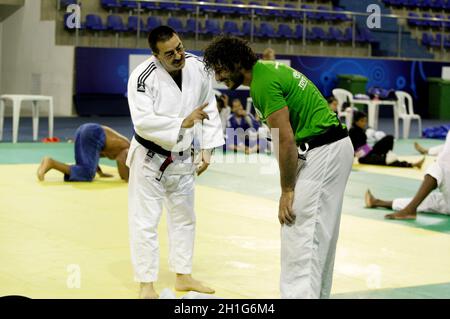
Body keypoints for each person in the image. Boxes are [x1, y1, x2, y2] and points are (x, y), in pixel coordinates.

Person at [203, 37, 354, 299]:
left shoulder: (263, 84)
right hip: (327, 149)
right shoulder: (268, 72)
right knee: (316, 236)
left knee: (300, 232)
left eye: (220, 69)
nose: (218, 77)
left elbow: (285, 139)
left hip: (323, 150)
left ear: (237, 62)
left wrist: (287, 190)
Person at [127, 26, 224, 299]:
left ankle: (183, 276)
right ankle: (146, 284)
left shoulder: (197, 67)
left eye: (180, 47)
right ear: (155, 55)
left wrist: (208, 147)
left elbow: (209, 106)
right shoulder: (142, 78)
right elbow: (143, 122)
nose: (179, 54)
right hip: (149, 159)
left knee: (184, 220)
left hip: (183, 158)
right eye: (170, 53)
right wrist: (182, 121)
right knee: (145, 222)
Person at [365, 132, 450, 220]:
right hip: (368, 156)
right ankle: (378, 202)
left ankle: (410, 209)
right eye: (363, 121)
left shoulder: (358, 134)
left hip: (370, 156)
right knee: (431, 200)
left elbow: (444, 160)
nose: (364, 123)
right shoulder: (357, 133)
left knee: (438, 166)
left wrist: (365, 152)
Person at [37, 123, 129, 182]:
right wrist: (128, 180)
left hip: (85, 129)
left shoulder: (121, 147)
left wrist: (100, 173)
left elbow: (94, 156)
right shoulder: (128, 148)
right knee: (87, 174)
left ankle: (50, 163)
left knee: (85, 169)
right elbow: (123, 173)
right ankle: (51, 163)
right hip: (94, 133)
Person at [349, 111, 424, 168]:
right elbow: (355, 151)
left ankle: (387, 155)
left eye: (365, 121)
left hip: (368, 152)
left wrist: (370, 149)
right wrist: (368, 150)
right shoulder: (352, 132)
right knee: (388, 160)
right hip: (363, 158)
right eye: (362, 121)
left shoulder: (361, 131)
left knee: (389, 138)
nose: (364, 123)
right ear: (356, 121)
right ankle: (412, 164)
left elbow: (365, 146)